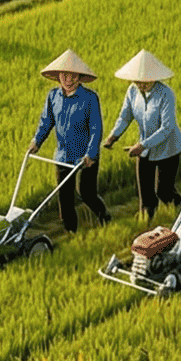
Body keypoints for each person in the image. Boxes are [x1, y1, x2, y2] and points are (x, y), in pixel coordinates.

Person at [29, 49, 107, 235]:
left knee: (86, 193)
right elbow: (46, 122)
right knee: (64, 197)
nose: (68, 79)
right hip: (63, 154)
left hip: (85, 155)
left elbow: (96, 128)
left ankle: (104, 216)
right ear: (58, 76)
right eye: (64, 75)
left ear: (79, 77)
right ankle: (71, 231)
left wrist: (91, 154)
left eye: (72, 75)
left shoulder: (90, 98)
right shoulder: (53, 96)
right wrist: (36, 142)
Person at [105, 50, 181, 227]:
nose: (141, 85)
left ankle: (178, 205)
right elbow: (125, 116)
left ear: (154, 77)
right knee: (146, 193)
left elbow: (167, 127)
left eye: (145, 81)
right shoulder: (132, 91)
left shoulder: (166, 94)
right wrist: (114, 136)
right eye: (137, 81)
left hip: (168, 148)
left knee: (163, 192)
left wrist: (142, 145)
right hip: (145, 148)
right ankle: (146, 223)